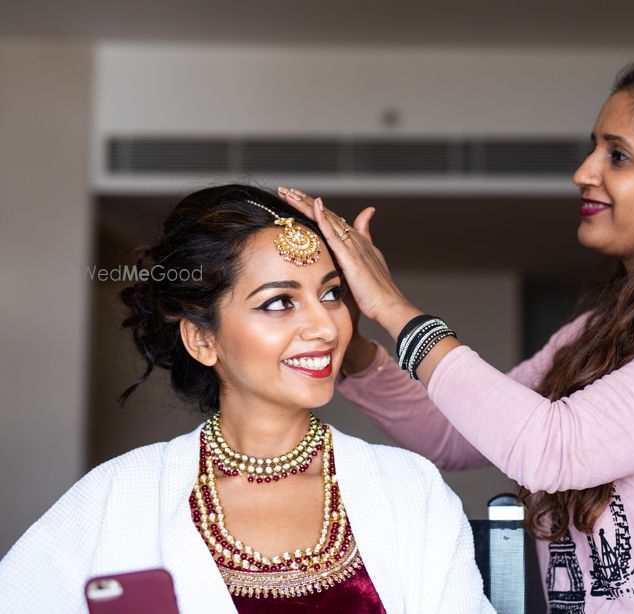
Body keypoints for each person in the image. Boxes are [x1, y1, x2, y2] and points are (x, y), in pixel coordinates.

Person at [276, 58, 634, 613]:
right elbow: (452, 431)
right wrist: (343, 336)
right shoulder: (592, 333)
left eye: (617, 155)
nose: (584, 172)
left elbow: (551, 449)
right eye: (593, 149)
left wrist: (394, 309)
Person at [0, 185, 493, 613]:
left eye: (331, 294)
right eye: (279, 302)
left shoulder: (408, 488)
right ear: (202, 340)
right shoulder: (119, 496)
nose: (325, 327)